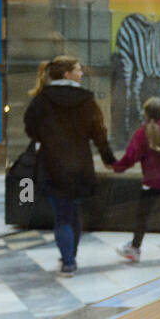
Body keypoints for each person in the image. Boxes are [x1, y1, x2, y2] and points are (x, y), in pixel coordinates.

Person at [23, 56, 116, 276]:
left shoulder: (41, 99)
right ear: (67, 74)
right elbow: (99, 132)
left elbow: (30, 127)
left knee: (62, 215)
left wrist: (46, 138)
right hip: (80, 164)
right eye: (78, 69)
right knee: (73, 211)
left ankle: (68, 260)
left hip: (52, 164)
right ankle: (70, 254)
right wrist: (108, 158)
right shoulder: (86, 99)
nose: (82, 73)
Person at [113, 97, 160, 266]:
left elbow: (131, 156)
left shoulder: (141, 133)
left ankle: (135, 248)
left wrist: (117, 167)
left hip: (152, 181)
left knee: (142, 216)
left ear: (145, 113)